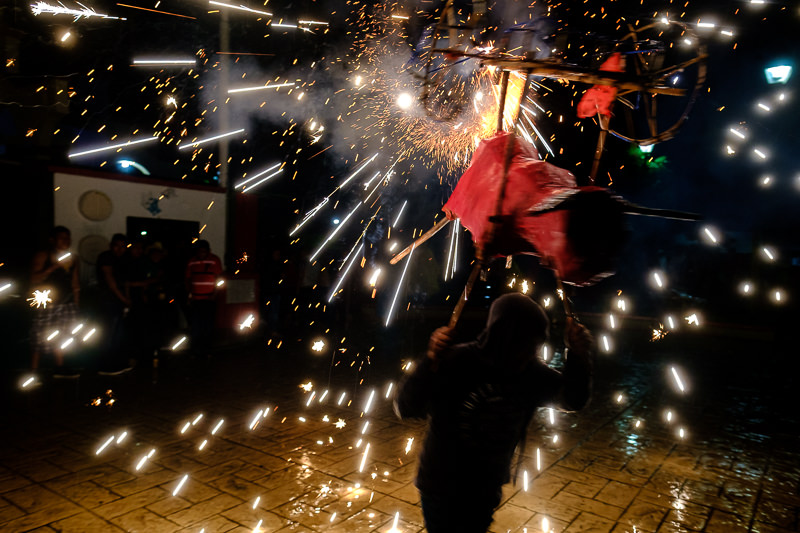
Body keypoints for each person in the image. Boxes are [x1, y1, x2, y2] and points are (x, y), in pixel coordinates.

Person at [394, 293, 595, 533]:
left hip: (486, 488)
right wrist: (430, 360)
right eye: (525, 346)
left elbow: (573, 399)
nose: (531, 355)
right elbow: (405, 406)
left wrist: (578, 355)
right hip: (441, 484)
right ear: (505, 338)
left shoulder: (531, 374)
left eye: (536, 347)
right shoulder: (458, 361)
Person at [29, 226, 81, 372]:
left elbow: (75, 282)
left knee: (63, 335)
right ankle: (34, 370)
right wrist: (53, 267)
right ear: (52, 240)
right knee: (40, 336)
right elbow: (33, 279)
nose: (66, 240)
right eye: (62, 237)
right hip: (46, 302)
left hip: (67, 302)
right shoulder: (43, 256)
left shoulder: (74, 258)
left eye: (68, 237)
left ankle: (60, 367)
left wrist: (76, 304)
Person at [96, 233, 131, 373]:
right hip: (108, 300)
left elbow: (125, 282)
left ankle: (116, 362)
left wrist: (127, 299)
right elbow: (110, 280)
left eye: (123, 247)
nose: (120, 249)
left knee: (118, 334)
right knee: (109, 334)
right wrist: (123, 298)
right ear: (111, 246)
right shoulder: (106, 257)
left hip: (119, 301)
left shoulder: (123, 260)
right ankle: (106, 366)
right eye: (117, 246)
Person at [185, 240, 223, 358]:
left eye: (203, 251)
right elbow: (188, 279)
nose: (201, 253)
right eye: (199, 251)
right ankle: (195, 350)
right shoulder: (192, 261)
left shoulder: (214, 260)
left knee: (208, 326)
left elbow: (220, 280)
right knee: (196, 326)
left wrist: (214, 295)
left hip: (209, 299)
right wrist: (189, 295)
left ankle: (207, 350)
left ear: (208, 251)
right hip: (196, 299)